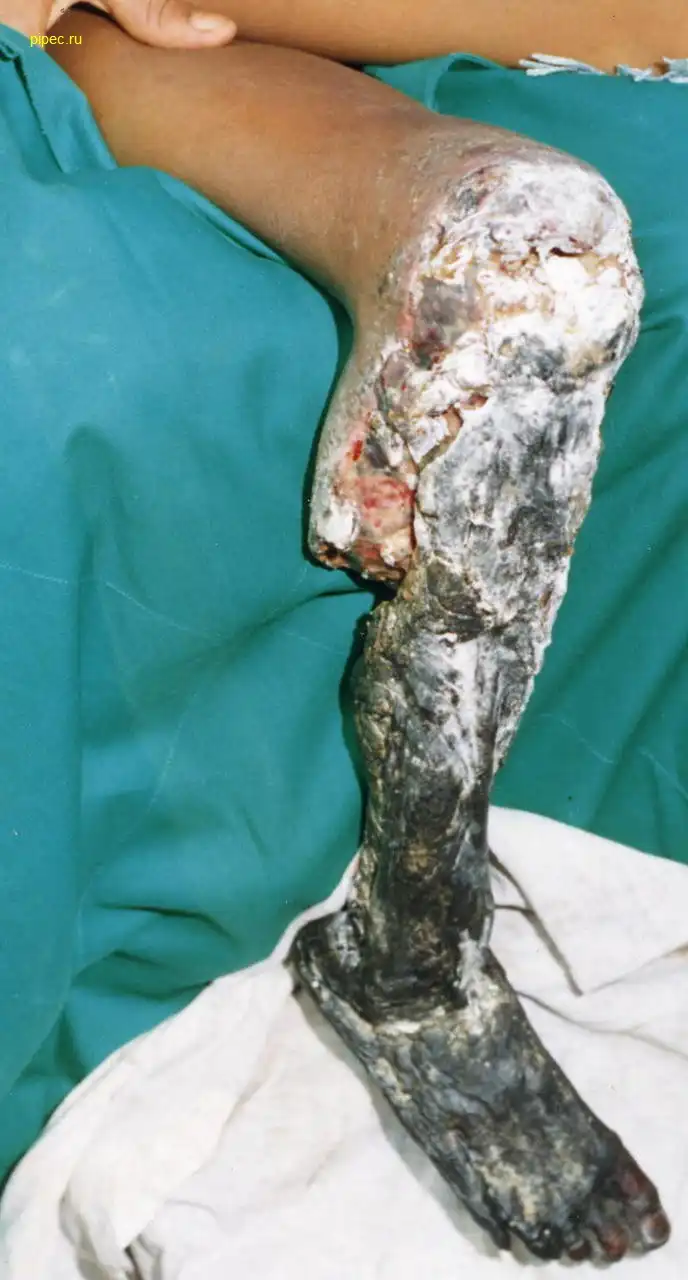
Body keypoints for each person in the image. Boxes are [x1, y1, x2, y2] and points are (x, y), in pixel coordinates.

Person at [0, 0, 680, 1263]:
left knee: (531, 251)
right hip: (113, 48)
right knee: (518, 250)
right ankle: (413, 960)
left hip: (203, 44)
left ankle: (414, 948)